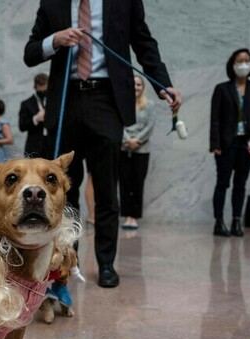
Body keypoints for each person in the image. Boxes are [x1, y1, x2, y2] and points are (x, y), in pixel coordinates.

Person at [24, 0, 181, 288]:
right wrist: (55, 40)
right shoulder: (52, 3)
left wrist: (162, 84)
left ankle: (106, 263)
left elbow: (144, 41)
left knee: (107, 188)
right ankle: (66, 263)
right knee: (63, 191)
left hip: (106, 100)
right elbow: (31, 52)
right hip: (66, 102)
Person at [210, 48, 250, 237]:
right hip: (226, 143)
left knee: (240, 183)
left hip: (246, 143)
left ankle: (236, 221)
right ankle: (218, 222)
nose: (244, 64)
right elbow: (215, 119)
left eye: (247, 60)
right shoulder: (222, 89)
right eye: (240, 60)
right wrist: (215, 144)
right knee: (222, 182)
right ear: (232, 64)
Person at [119, 75, 156, 231]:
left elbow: (150, 126)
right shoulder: (121, 104)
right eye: (133, 84)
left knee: (137, 183)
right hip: (123, 148)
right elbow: (118, 124)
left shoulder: (150, 105)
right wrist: (127, 140)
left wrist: (137, 140)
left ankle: (134, 216)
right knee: (125, 183)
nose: (136, 87)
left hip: (142, 150)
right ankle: (127, 216)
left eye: (139, 84)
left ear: (143, 87)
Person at [18, 73, 49, 158]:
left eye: (45, 90)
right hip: (35, 146)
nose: (43, 93)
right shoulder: (26, 104)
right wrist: (35, 119)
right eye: (40, 91)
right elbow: (21, 126)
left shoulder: (53, 102)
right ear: (35, 87)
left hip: (51, 144)